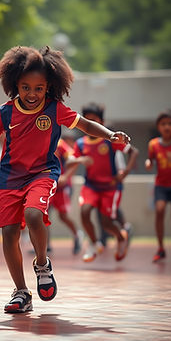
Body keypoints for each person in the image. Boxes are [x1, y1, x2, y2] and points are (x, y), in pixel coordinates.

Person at [0, 46, 130, 313]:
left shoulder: (55, 109)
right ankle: (21, 292)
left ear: (49, 87)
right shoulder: (5, 112)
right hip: (10, 177)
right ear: (14, 86)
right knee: (8, 234)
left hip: (43, 173)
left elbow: (85, 125)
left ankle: (42, 265)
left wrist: (109, 135)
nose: (32, 94)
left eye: (39, 88)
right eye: (26, 87)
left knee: (33, 216)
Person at [67, 102, 138, 263]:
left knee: (106, 222)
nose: (92, 123)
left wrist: (125, 172)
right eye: (88, 120)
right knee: (84, 212)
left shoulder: (109, 141)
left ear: (102, 122)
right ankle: (94, 243)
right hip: (90, 185)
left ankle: (121, 237)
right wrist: (80, 159)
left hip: (110, 187)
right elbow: (69, 161)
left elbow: (134, 151)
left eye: (95, 120)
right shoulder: (80, 144)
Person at [145, 109, 171, 263]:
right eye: (163, 124)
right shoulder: (153, 144)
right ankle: (160, 248)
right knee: (160, 210)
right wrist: (148, 163)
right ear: (158, 127)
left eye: (170, 123)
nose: (166, 127)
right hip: (161, 184)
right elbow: (150, 160)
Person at [49, 137, 84, 255]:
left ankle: (77, 235)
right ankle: (44, 244)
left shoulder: (60, 144)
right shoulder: (38, 142)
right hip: (45, 186)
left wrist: (66, 176)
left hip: (61, 188)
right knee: (41, 214)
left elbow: (74, 161)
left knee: (63, 216)